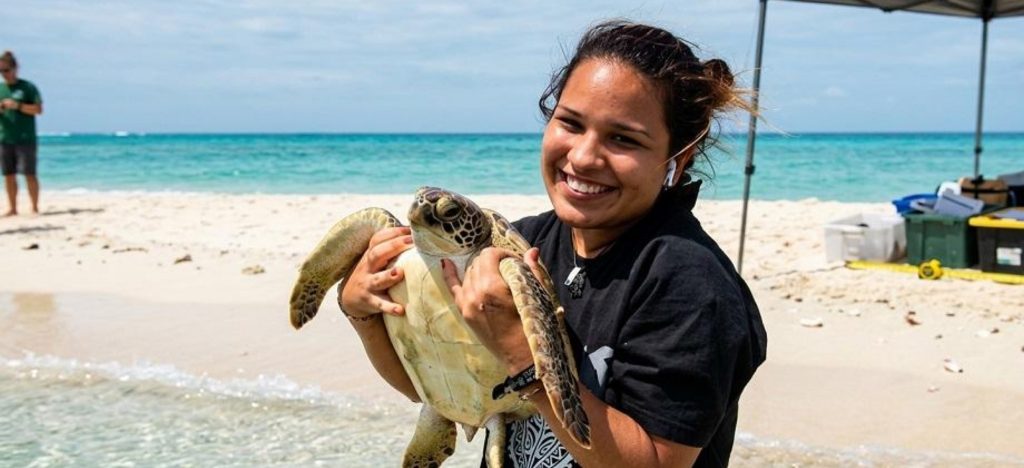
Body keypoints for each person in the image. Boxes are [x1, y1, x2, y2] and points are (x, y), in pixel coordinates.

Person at [338, 21, 767, 467]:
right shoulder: (525, 242)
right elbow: (442, 389)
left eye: (623, 138)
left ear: (676, 161)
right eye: (570, 123)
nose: (582, 157)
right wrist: (363, 314)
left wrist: (529, 366)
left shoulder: (688, 283)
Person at [0, 50, 44, 216]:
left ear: (15, 68)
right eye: (0, 71)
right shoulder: (0, 89)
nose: (4, 75)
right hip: (5, 137)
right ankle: (12, 208)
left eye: (6, 70)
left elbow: (38, 110)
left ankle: (34, 207)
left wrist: (18, 106)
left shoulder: (27, 87)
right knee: (8, 175)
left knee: (29, 173)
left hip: (25, 138)